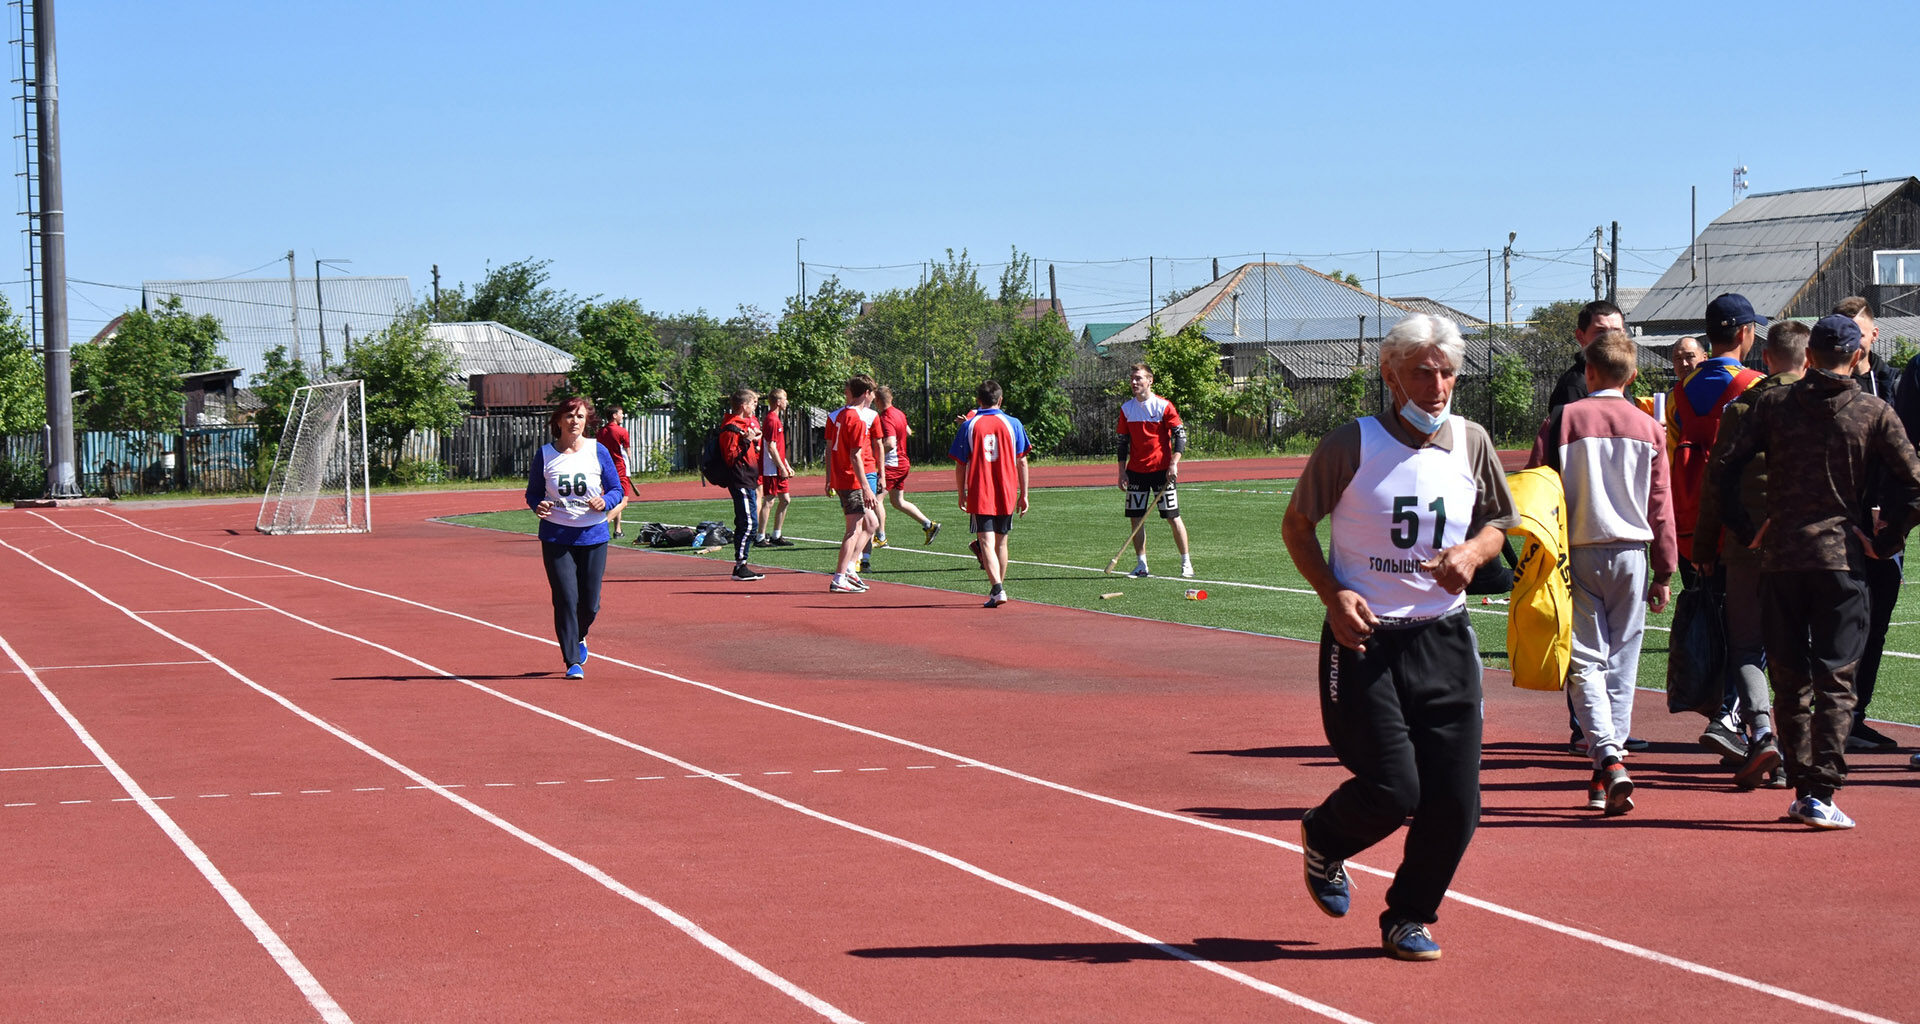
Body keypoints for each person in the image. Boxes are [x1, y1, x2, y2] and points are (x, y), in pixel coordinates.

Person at [1280, 314, 1517, 961]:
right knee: (1395, 789)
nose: (1437, 384)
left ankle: (1408, 915)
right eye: (1422, 371)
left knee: (1458, 801)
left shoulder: (1470, 442)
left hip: (1444, 637)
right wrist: (1333, 595)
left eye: (1447, 371)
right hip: (1365, 640)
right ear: (1390, 373)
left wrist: (1474, 552)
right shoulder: (1351, 445)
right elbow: (1297, 525)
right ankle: (1325, 838)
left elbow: (1501, 521)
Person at [1710, 314, 1920, 829]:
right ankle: (1820, 791)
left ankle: (1804, 786)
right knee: (1836, 679)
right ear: (1854, 357)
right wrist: (1886, 540)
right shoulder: (1873, 411)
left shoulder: (1773, 404)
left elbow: (1724, 466)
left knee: (1790, 678)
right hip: (1841, 561)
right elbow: (1913, 483)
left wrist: (1745, 527)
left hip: (1782, 558)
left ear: (1808, 357)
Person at [1528, 329, 1676, 814]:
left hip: (1578, 549)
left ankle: (1606, 756)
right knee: (1623, 658)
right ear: (1632, 377)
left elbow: (1535, 484)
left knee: (1585, 659)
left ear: (1588, 373)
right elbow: (1661, 505)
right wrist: (1666, 570)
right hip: (1633, 551)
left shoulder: (1564, 418)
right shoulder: (1650, 428)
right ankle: (1608, 759)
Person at [1694, 319, 1809, 790]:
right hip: (1807, 547)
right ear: (1810, 360)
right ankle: (1800, 754)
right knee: (1796, 651)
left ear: (1766, 359)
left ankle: (1761, 732)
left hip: (1748, 546)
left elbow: (1716, 484)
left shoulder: (1744, 408)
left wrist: (1705, 546)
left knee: (1747, 646)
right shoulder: (1824, 407)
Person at [1668, 293, 1765, 763]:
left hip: (1690, 519)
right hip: (1739, 521)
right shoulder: (1754, 385)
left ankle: (1722, 710)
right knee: (1748, 628)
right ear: (1745, 333)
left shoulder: (1678, 392)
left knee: (1712, 615)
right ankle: (1730, 715)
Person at [1833, 297, 1901, 752]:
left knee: (1875, 623)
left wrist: (1892, 512)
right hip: (1833, 525)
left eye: (1861, 332)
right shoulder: (1818, 387)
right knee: (1833, 623)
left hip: (1883, 524)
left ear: (1874, 336)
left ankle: (1856, 717)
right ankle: (1826, 720)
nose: (1855, 342)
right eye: (1846, 332)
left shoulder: (1893, 384)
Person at [525, 396, 623, 680]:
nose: (575, 422)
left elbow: (615, 488)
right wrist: (538, 505)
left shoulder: (598, 450)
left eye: (580, 417)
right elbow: (533, 492)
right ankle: (571, 661)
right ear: (558, 420)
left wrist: (605, 501)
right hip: (556, 536)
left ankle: (579, 634)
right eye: (569, 416)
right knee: (566, 598)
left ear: (586, 421)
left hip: (593, 535)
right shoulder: (545, 454)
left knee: (589, 603)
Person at [950, 379, 1030, 607]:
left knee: (985, 541)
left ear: (978, 401)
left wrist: (961, 492)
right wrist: (1024, 494)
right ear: (1000, 399)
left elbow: (960, 464)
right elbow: (1022, 461)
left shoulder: (969, 425)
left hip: (980, 488)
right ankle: (998, 589)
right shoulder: (1013, 423)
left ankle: (997, 587)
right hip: (1006, 489)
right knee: (1001, 542)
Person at [1116, 363, 1193, 579]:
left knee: (1172, 516)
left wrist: (1174, 463)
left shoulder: (1164, 406)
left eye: (1138, 378)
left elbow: (1180, 436)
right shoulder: (1126, 409)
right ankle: (1142, 565)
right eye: (1132, 378)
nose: (1134, 382)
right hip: (1136, 472)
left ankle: (1186, 561)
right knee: (1136, 518)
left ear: (1150, 380)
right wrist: (1121, 471)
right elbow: (1122, 443)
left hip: (1162, 472)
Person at [824, 375, 881, 594]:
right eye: (872, 392)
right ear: (866, 393)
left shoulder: (841, 416)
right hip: (851, 479)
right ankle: (840, 576)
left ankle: (848, 569)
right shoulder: (856, 419)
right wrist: (866, 486)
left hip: (844, 477)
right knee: (853, 529)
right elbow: (855, 455)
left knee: (872, 523)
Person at [875, 385, 941, 545]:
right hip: (903, 462)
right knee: (898, 501)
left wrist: (874, 454)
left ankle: (881, 537)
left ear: (877, 401)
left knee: (876, 500)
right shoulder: (899, 413)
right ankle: (928, 525)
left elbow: (890, 443)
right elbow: (909, 431)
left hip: (893, 464)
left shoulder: (885, 417)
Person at [717, 389, 765, 581]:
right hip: (740, 479)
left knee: (749, 522)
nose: (755, 406)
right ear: (744, 406)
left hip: (749, 478)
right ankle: (740, 565)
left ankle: (742, 564)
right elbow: (730, 457)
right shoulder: (731, 427)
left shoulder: (742, 424)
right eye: (752, 404)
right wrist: (747, 441)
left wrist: (752, 441)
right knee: (748, 523)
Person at [1546, 300, 1625, 412]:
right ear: (1580, 336)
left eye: (1616, 331)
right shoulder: (1574, 386)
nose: (1610, 338)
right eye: (1600, 331)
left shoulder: (1616, 378)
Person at [754, 388, 796, 547]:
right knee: (769, 501)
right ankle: (760, 537)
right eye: (785, 399)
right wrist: (781, 467)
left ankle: (776, 535)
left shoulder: (776, 419)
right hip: (771, 468)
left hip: (778, 467)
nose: (786, 402)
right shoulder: (772, 420)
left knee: (785, 500)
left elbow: (778, 447)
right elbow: (771, 447)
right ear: (778, 402)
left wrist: (786, 465)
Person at [597, 404, 636, 539]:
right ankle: (602, 524)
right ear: (614, 415)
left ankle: (617, 530)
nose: (623, 416)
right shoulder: (621, 431)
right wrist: (630, 467)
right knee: (624, 501)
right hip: (620, 468)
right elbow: (627, 451)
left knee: (615, 500)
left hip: (606, 470)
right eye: (621, 413)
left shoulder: (600, 432)